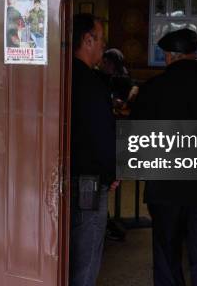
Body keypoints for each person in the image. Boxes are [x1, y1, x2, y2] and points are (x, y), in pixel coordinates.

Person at [132, 28, 197, 286]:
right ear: (194, 53)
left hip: (164, 188)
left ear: (169, 56)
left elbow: (136, 141)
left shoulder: (152, 89)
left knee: (166, 256)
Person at [70, 14, 118, 286]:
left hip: (60, 179)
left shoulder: (59, 75)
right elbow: (103, 134)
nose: (103, 47)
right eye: (100, 40)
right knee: (86, 256)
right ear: (87, 40)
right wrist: (113, 173)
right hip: (88, 183)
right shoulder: (93, 83)